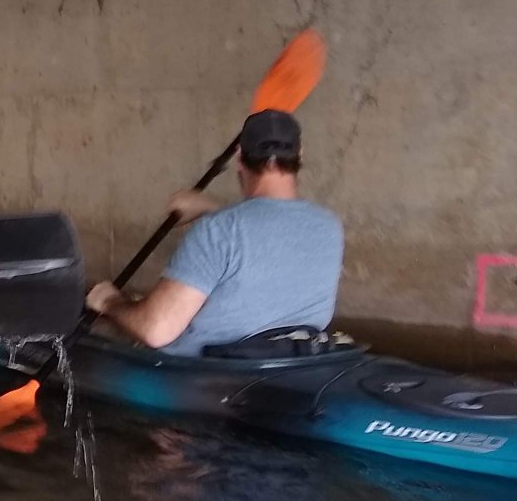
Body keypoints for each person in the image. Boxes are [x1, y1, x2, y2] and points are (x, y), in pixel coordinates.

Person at [83, 108, 342, 355]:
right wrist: (211, 208)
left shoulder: (217, 232)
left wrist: (109, 302)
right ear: (301, 155)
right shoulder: (329, 226)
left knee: (117, 320)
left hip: (199, 378)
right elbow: (268, 226)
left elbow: (157, 331)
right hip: (293, 364)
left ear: (240, 158)